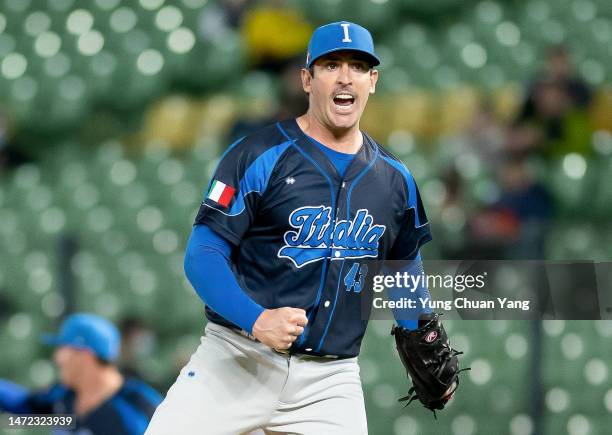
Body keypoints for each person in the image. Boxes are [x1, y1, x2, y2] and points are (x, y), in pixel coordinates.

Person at [146, 21, 452, 435]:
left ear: (372, 81)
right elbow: (203, 254)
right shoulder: (257, 154)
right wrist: (256, 320)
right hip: (236, 357)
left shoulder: (394, 179)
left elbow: (403, 269)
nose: (345, 76)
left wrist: (423, 338)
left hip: (330, 381)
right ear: (307, 79)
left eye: (358, 66)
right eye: (331, 65)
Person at [0, 313, 162, 434]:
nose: (57, 358)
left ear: (85, 355)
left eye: (63, 348)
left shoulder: (139, 407)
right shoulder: (63, 397)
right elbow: (21, 409)